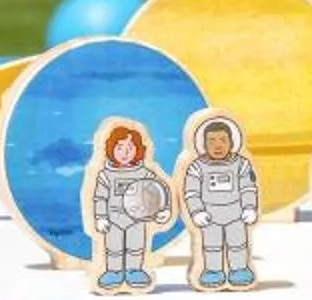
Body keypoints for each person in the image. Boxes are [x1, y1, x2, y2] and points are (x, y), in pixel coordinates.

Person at [177, 112, 261, 289]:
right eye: (211, 141)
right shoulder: (197, 167)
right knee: (211, 245)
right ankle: (213, 271)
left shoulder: (241, 165)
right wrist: (197, 212)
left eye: (223, 140)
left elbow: (248, 187)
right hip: (210, 217)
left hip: (236, 215)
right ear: (203, 144)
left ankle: (239, 269)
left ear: (232, 142)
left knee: (238, 244)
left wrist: (249, 208)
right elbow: (191, 192)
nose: (217, 145)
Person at [87, 119, 170, 290]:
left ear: (138, 150)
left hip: (137, 219)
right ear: (110, 149)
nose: (124, 153)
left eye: (129, 148)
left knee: (136, 246)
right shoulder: (106, 175)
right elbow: (100, 198)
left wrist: (163, 209)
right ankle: (114, 271)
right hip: (113, 220)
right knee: (113, 248)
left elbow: (159, 190)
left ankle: (134, 270)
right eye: (119, 148)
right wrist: (101, 218)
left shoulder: (143, 173)